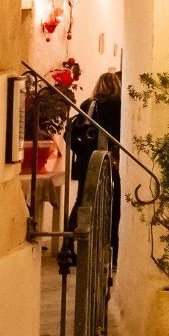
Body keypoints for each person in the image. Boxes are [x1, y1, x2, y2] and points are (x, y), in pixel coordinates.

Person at [64, 71, 122, 266]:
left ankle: (67, 246)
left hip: (86, 161)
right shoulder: (119, 106)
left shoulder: (88, 104)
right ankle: (112, 252)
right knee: (113, 205)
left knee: (82, 203)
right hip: (107, 162)